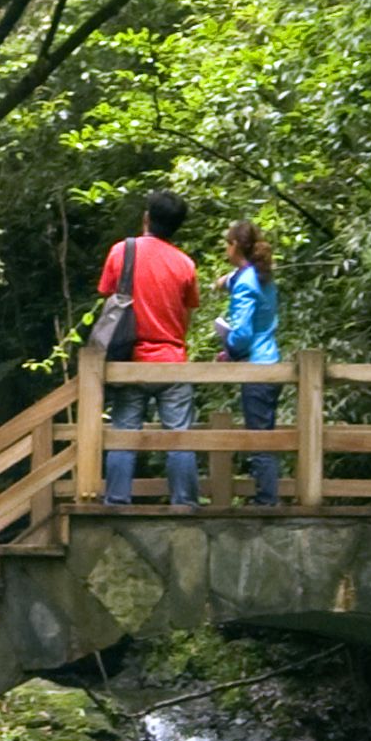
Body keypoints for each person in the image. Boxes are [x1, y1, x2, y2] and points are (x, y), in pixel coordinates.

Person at [98, 190, 202, 507]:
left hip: (130, 359)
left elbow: (108, 297)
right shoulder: (185, 264)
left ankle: (117, 500)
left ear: (146, 217)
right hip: (172, 359)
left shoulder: (121, 252)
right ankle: (184, 502)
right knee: (179, 436)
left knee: (123, 435)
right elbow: (187, 314)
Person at [218, 217, 285, 506]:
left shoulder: (245, 283)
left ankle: (266, 500)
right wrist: (224, 281)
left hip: (255, 366)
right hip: (271, 361)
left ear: (235, 246)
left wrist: (229, 346)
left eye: (227, 243)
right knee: (265, 433)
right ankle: (266, 496)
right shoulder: (262, 277)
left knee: (259, 438)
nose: (224, 249)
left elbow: (243, 333)